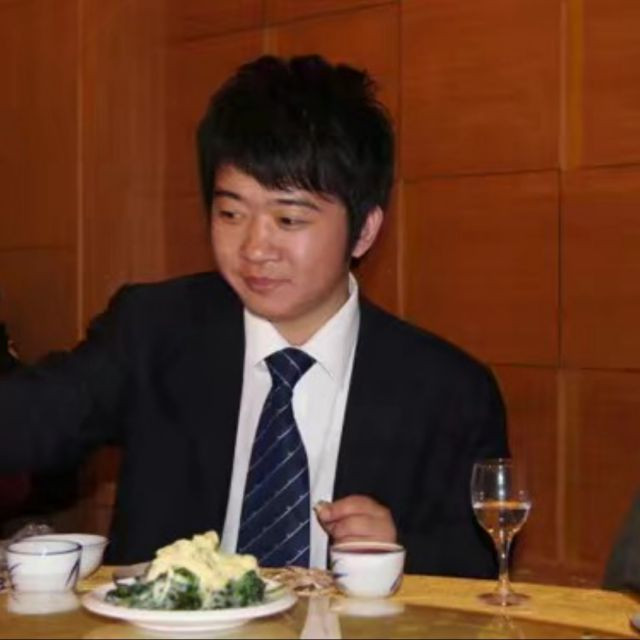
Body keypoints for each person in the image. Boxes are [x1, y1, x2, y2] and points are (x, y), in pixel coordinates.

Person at [0, 54, 508, 576]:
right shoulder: (153, 331)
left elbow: (482, 570)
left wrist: (398, 552)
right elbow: (28, 418)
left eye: (288, 219)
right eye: (231, 213)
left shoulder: (449, 392)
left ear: (364, 230)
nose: (255, 248)